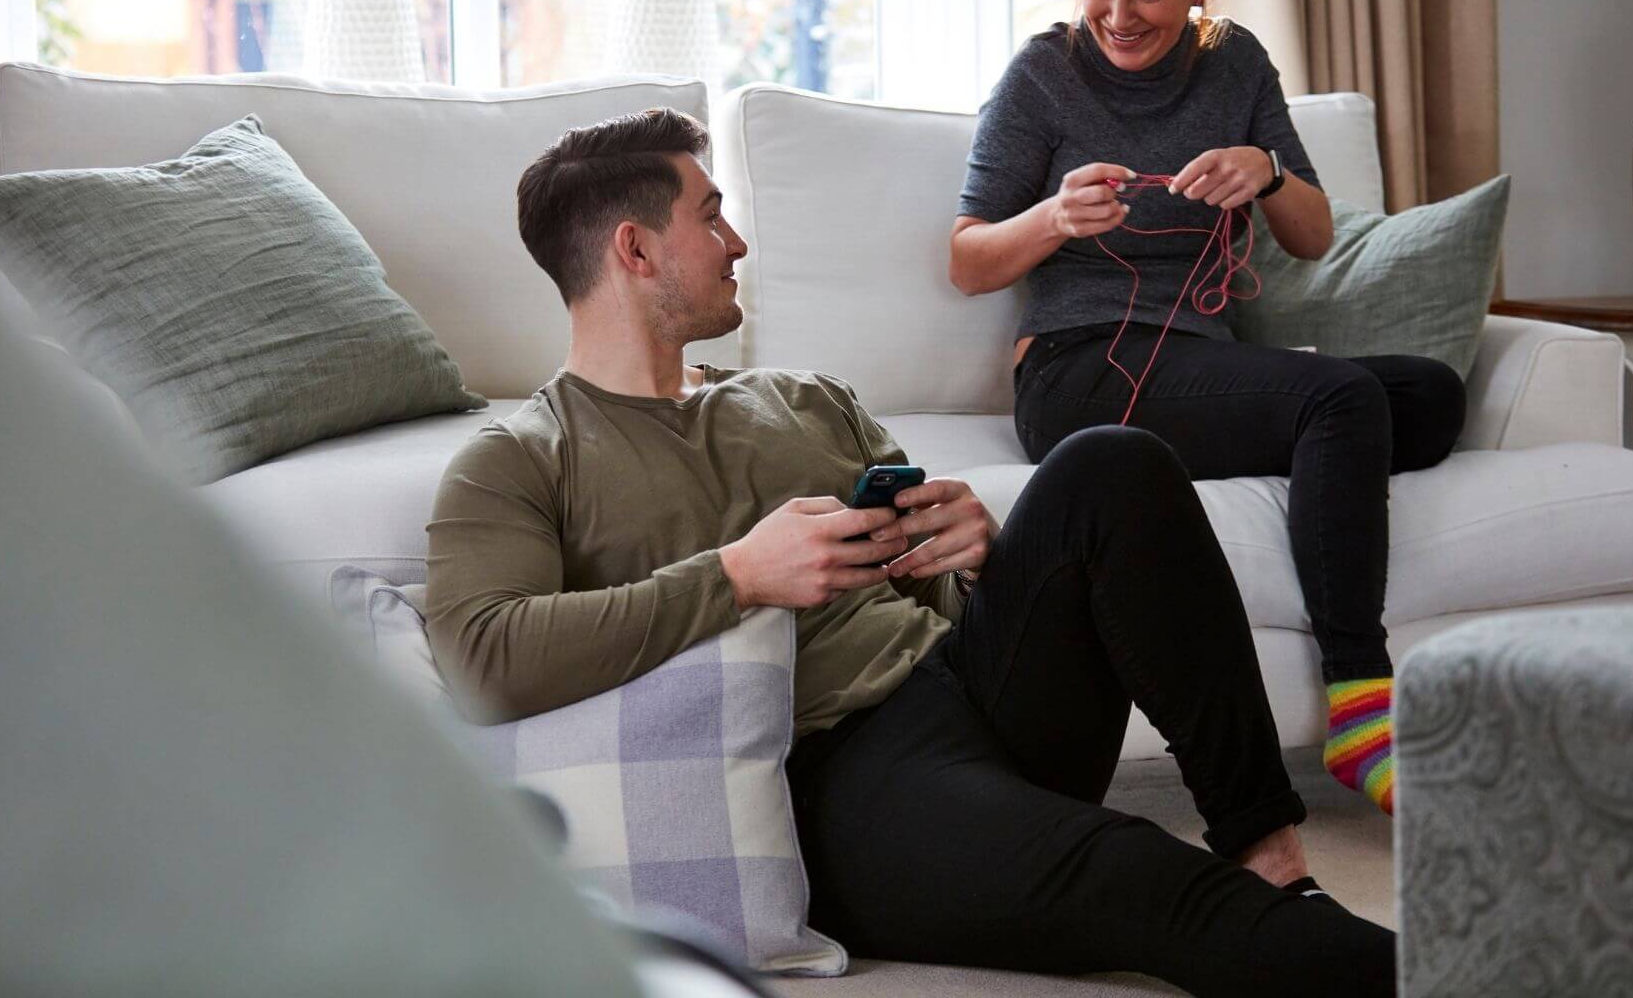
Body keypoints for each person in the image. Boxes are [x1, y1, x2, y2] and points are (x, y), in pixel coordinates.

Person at [422, 107, 1396, 996]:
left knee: (1114, 462)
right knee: (1138, 875)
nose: (738, 241)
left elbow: (932, 585)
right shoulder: (523, 459)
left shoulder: (803, 396)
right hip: (845, 786)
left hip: (969, 694)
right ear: (634, 249)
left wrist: (974, 555)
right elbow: (481, 657)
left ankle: (1271, 856)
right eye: (710, 217)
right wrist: (738, 576)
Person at [948, 0, 1468, 817]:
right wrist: (1054, 218)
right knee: (1344, 402)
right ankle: (1362, 696)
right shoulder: (1041, 76)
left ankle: (1300, 449)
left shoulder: (1235, 67)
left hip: (1192, 365)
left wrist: (1267, 172)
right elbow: (969, 260)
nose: (1118, 15)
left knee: (1434, 397)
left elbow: (1312, 236)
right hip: (1079, 377)